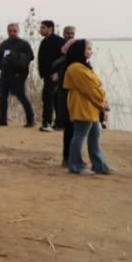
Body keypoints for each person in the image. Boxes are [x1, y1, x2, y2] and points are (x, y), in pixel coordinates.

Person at [62, 40, 114, 176]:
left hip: (92, 107)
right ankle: (75, 165)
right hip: (83, 106)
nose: (91, 52)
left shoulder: (84, 66)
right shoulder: (75, 68)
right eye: (88, 49)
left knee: (94, 137)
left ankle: (99, 165)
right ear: (81, 50)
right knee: (79, 136)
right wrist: (103, 104)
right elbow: (90, 89)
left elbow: (94, 88)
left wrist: (102, 104)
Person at [0, 23, 36, 127]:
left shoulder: (24, 44)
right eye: (10, 31)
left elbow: (31, 56)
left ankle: (31, 120)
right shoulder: (4, 44)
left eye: (14, 31)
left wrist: (16, 57)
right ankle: (2, 119)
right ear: (7, 31)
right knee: (2, 97)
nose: (12, 33)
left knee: (22, 97)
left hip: (17, 75)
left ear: (18, 31)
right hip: (5, 74)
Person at [50, 35, 76, 167]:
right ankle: (71, 159)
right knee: (73, 132)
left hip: (66, 102)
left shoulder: (63, 63)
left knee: (71, 132)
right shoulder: (69, 65)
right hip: (70, 102)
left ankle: (69, 158)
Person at [37, 20, 65, 132]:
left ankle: (48, 123)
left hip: (55, 75)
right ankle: (57, 123)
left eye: (43, 27)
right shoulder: (44, 41)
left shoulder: (59, 41)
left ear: (50, 28)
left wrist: (59, 73)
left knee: (49, 98)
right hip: (47, 75)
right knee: (50, 98)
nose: (40, 30)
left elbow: (65, 58)